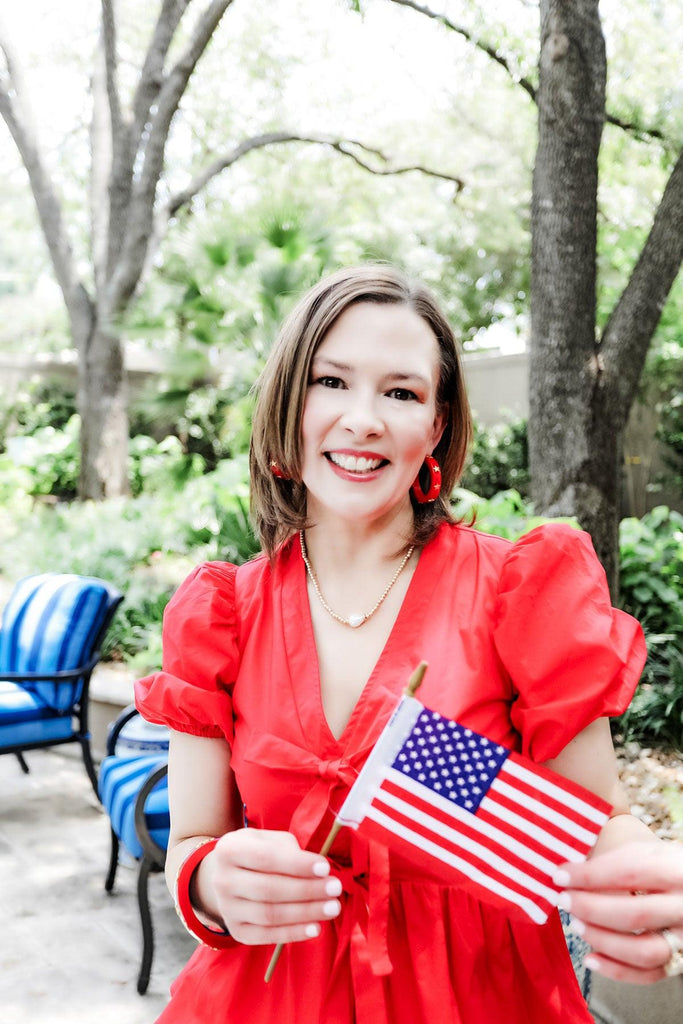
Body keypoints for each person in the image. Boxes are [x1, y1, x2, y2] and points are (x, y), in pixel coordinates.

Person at [136, 265, 683, 1023]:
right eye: (332, 381)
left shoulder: (518, 593)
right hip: (266, 1002)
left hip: (480, 999)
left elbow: (594, 825)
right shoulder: (220, 614)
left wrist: (638, 885)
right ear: (289, 400)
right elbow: (194, 841)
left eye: (401, 392)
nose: (363, 418)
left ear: (434, 425)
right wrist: (209, 883)